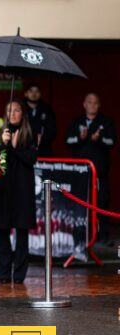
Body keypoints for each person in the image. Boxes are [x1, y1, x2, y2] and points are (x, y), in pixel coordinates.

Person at [0, 101, 37, 284]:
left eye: (16, 110)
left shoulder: (29, 134)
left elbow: (31, 159)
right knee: (3, 231)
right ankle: (4, 274)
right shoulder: (1, 133)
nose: (13, 113)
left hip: (22, 190)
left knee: (21, 232)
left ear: (22, 113)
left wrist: (14, 149)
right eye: (9, 110)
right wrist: (4, 144)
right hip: (3, 189)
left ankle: (19, 275)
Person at [65, 93, 117, 245]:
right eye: (89, 102)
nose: (92, 105)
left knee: (101, 203)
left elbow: (112, 141)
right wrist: (81, 138)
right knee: (80, 203)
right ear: (84, 104)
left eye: (95, 103)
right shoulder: (77, 122)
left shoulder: (106, 122)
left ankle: (102, 235)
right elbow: (68, 140)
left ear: (99, 105)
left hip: (100, 172)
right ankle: (80, 235)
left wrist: (99, 139)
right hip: (80, 172)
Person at [23, 84, 56, 157]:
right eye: (31, 91)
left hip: (43, 149)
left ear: (40, 94)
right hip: (23, 148)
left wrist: (42, 139)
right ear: (25, 93)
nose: (34, 94)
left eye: (37, 91)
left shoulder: (47, 109)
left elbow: (52, 131)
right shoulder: (20, 109)